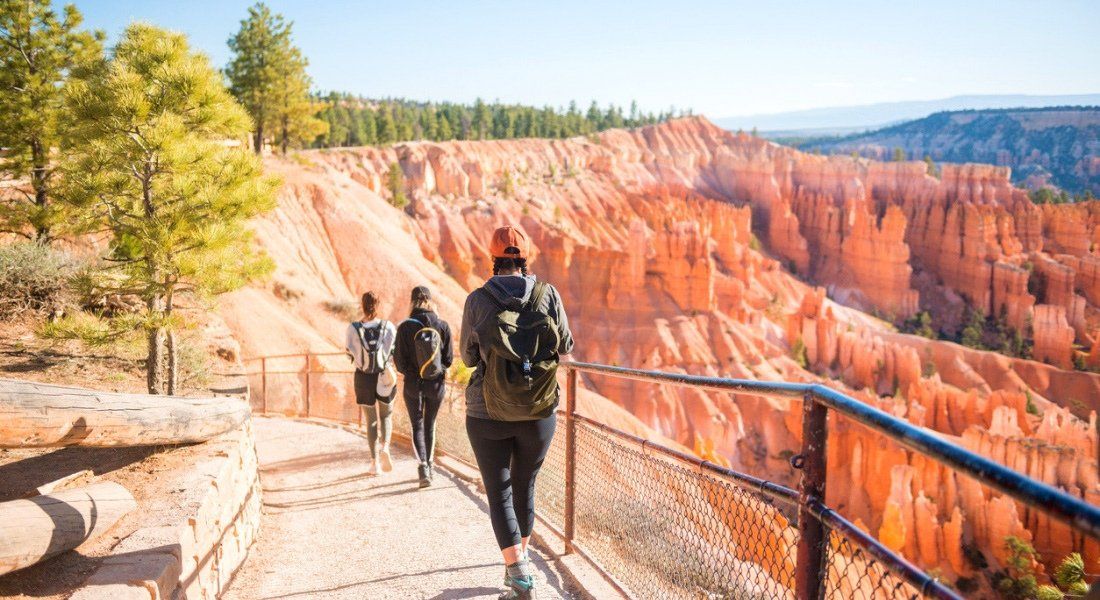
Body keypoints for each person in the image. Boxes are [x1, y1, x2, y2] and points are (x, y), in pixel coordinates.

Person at [460, 226, 573, 600]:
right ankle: (520, 566)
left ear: (492, 257)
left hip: (487, 411)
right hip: (539, 411)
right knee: (525, 488)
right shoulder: (549, 294)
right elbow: (566, 344)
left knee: (499, 492)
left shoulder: (477, 300)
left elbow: (468, 357)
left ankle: (519, 573)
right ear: (525, 258)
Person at [394, 285, 453, 487]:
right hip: (436, 385)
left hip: (412, 385)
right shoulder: (442, 325)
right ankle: (430, 464)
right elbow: (449, 359)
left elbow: (399, 362)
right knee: (430, 424)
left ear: (412, 302)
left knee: (416, 425)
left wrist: (413, 373)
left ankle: (423, 469)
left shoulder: (404, 327)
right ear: (430, 300)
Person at [344, 291, 398, 476]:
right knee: (386, 416)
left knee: (371, 422)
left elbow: (349, 354)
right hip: (384, 377)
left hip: (364, 379)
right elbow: (393, 351)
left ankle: (374, 463)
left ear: (362, 305)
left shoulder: (353, 328)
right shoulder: (388, 327)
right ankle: (385, 447)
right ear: (378, 304)